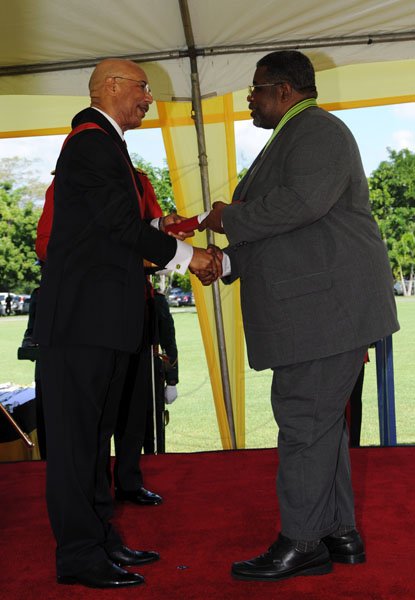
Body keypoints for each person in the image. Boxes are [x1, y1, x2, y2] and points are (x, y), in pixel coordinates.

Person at [198, 50, 399, 582]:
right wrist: (226, 264)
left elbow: (300, 204)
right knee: (321, 426)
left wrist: (228, 219)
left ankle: (303, 541)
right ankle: (338, 532)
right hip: (320, 309)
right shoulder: (297, 135)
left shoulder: (318, 130)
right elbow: (294, 232)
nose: (249, 98)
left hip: (323, 313)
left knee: (305, 423)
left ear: (285, 91)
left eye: (257, 89)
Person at [33, 57, 218, 589]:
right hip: (82, 326)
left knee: (92, 443)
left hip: (101, 323)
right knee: (76, 447)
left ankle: (99, 539)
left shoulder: (104, 145)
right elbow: (120, 225)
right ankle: (78, 554)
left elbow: (119, 226)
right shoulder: (91, 142)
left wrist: (175, 242)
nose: (148, 99)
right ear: (112, 86)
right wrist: (189, 257)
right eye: (142, 88)